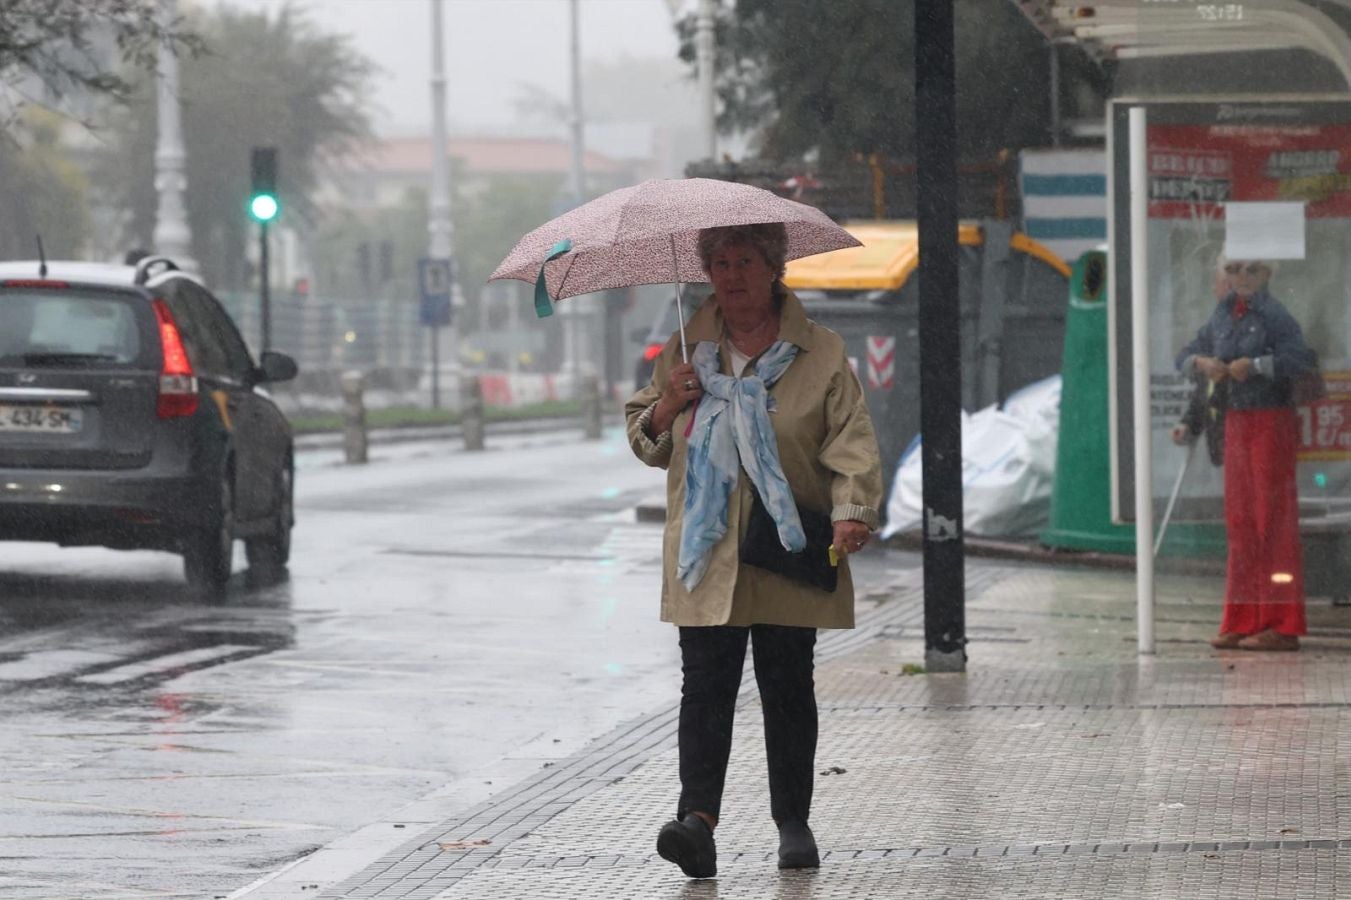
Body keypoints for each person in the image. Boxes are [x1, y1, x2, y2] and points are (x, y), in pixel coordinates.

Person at [624, 222, 883, 879]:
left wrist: (852, 512)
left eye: (744, 260)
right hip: (706, 552)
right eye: (718, 262)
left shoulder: (820, 353)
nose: (731, 274)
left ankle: (792, 823)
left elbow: (849, 439)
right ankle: (697, 825)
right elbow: (646, 435)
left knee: (787, 687)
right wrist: (667, 407)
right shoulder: (686, 352)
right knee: (704, 689)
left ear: (773, 267)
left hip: (787, 544)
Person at [1175, 256, 1315, 651]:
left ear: (1267, 274)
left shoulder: (1275, 314)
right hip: (1238, 420)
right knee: (1240, 521)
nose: (1242, 278)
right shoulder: (1223, 314)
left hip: (1271, 419)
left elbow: (1299, 359)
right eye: (1234, 270)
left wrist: (1255, 366)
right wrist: (1201, 362)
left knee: (1272, 518)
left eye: (1251, 270)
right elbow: (1186, 353)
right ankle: (1241, 616)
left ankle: (1281, 622)